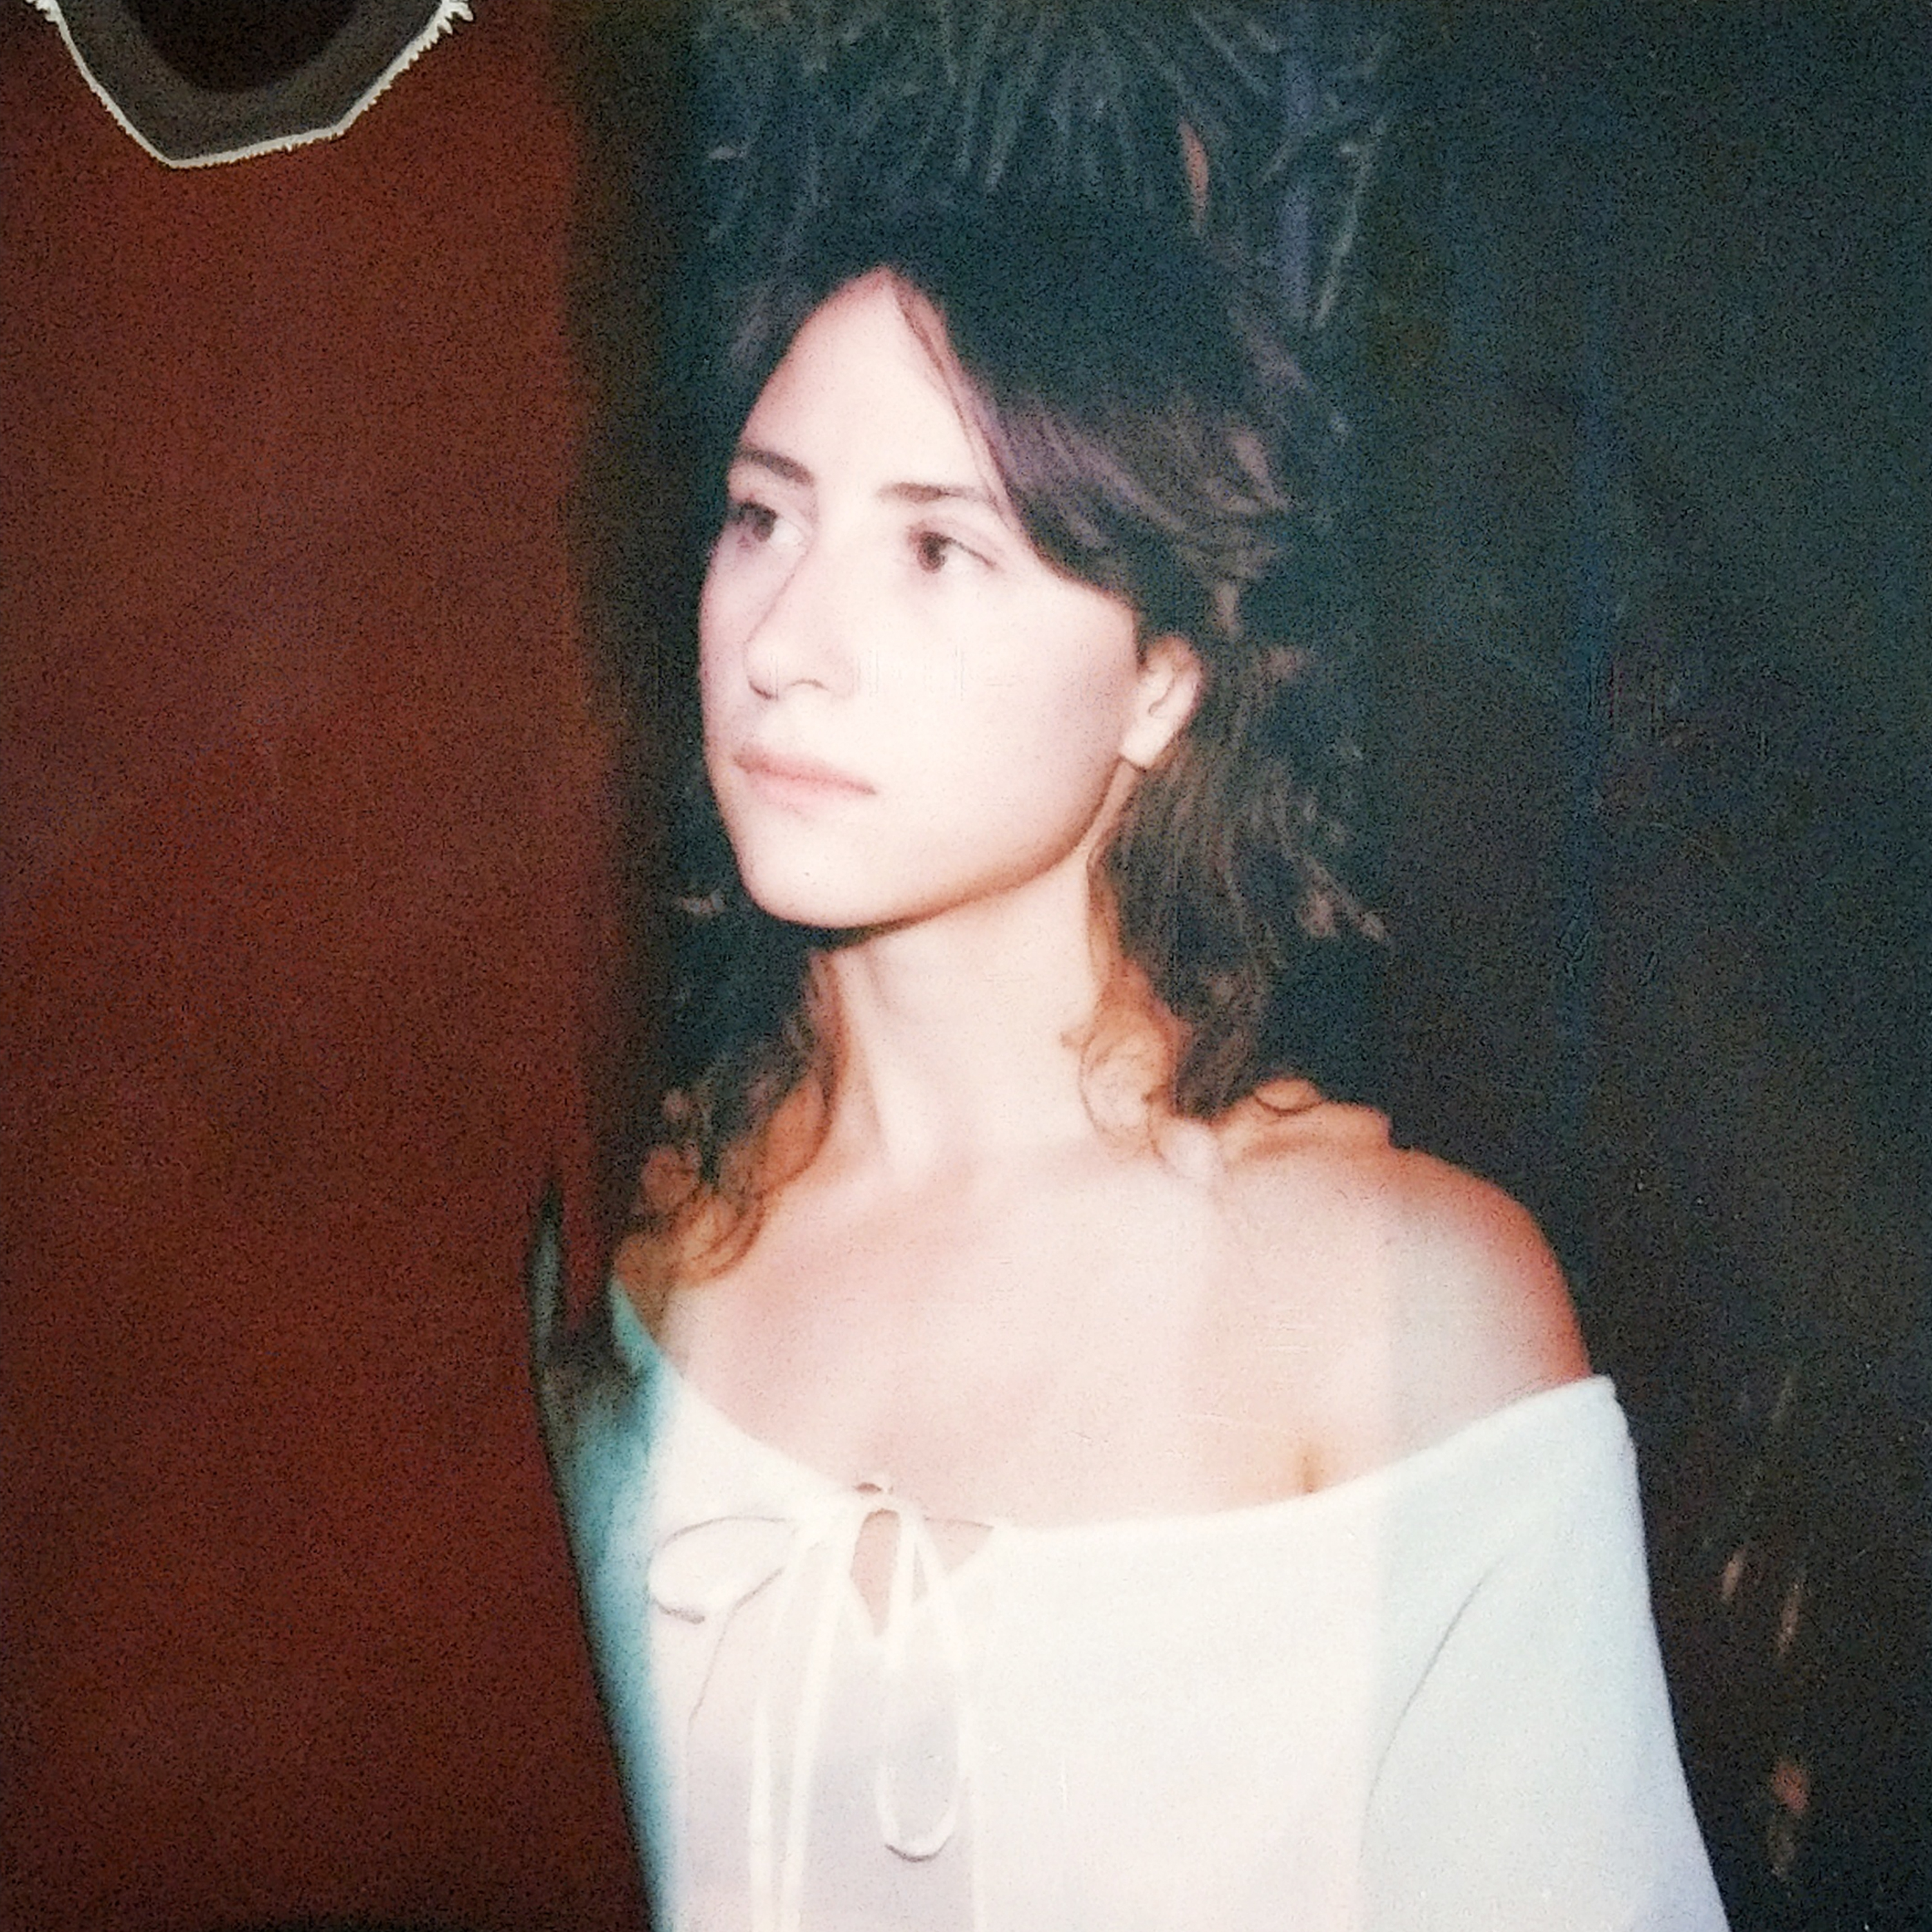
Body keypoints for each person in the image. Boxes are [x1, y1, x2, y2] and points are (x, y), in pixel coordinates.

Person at [531, 203, 1727, 1931]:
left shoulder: (1390, 1297)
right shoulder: (618, 1216)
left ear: (1165, 679)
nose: (783, 645)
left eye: (940, 549)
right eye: (762, 516)